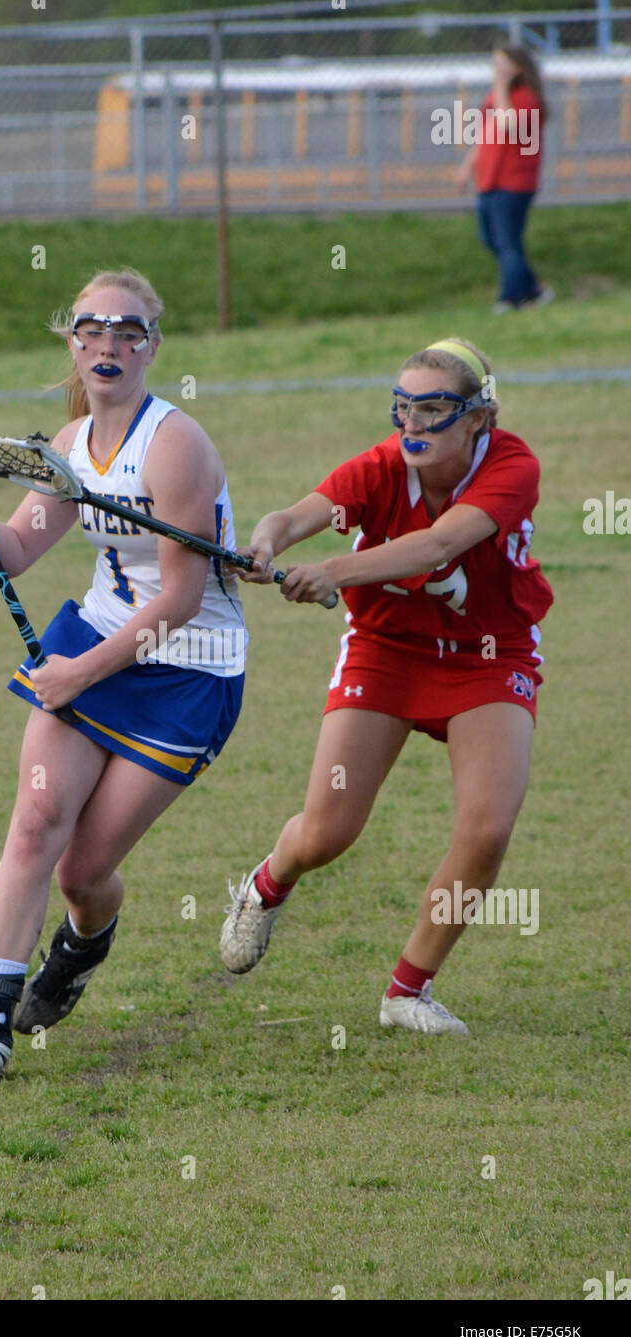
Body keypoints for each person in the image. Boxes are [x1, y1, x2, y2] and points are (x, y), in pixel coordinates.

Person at [0, 269, 247, 1081]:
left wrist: (76, 677)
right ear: (71, 340)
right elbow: (13, 553)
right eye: (91, 327)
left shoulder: (175, 445)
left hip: (186, 671)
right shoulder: (69, 447)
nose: (109, 343)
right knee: (37, 823)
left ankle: (80, 946)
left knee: (83, 871)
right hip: (101, 639)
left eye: (129, 329)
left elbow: (179, 600)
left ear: (152, 346)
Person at [221, 338, 553, 1035]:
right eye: (402, 407)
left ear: (477, 417)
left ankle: (407, 991)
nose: (412, 425)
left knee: (486, 829)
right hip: (386, 653)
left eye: (433, 409)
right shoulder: (379, 467)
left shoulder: (512, 465)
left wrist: (336, 572)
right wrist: (264, 543)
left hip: (486, 658)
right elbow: (292, 516)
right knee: (327, 833)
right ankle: (264, 885)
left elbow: (439, 545)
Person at [455, 47, 552, 312]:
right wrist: (468, 166)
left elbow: (510, 125)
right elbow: (485, 135)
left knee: (508, 242)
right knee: (491, 239)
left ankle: (510, 298)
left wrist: (501, 86)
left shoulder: (526, 98)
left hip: (514, 182)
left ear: (517, 68)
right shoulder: (496, 97)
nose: (496, 68)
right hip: (490, 180)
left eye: (503, 64)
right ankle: (533, 290)